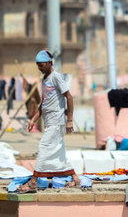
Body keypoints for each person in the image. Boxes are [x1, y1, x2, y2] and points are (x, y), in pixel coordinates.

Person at [16, 50, 80, 193]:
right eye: (38, 65)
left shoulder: (56, 77)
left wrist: (69, 120)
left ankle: (33, 182)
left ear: (50, 63)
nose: (40, 68)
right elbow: (43, 104)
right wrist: (33, 120)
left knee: (44, 147)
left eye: (42, 65)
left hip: (57, 121)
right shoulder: (44, 80)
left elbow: (69, 97)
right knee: (60, 153)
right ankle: (76, 179)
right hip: (50, 122)